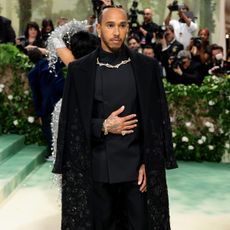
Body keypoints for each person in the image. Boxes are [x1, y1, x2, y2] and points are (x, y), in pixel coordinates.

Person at [53, 5, 177, 230]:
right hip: (96, 171)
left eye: (122, 25)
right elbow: (72, 124)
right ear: (99, 29)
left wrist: (149, 163)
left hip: (136, 173)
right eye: (110, 25)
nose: (117, 32)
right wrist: (104, 126)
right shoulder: (79, 71)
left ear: (128, 28)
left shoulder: (147, 68)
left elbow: (155, 122)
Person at [27, 48, 65, 160]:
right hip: (62, 97)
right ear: (41, 55)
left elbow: (36, 94)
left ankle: (54, 153)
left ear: (31, 60)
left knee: (48, 128)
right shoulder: (54, 63)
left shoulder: (33, 73)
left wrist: (38, 113)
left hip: (47, 103)